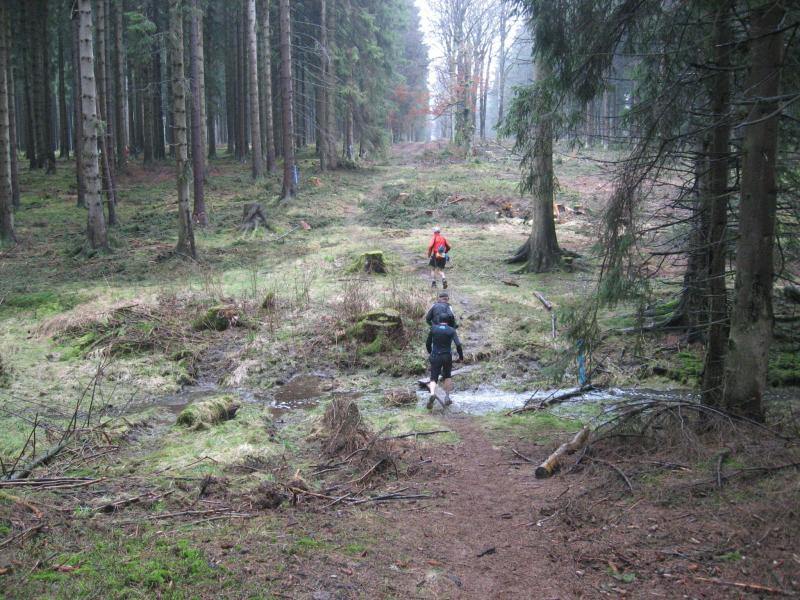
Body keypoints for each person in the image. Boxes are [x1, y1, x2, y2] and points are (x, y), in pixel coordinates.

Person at [425, 315, 464, 410]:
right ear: (448, 321)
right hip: (447, 356)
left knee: (433, 377)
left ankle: (432, 394)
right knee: (447, 376)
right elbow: (458, 344)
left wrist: (430, 352)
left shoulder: (433, 329)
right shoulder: (451, 330)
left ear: (439, 320)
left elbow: (428, 343)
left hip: (435, 355)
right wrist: (461, 356)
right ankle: (447, 397)